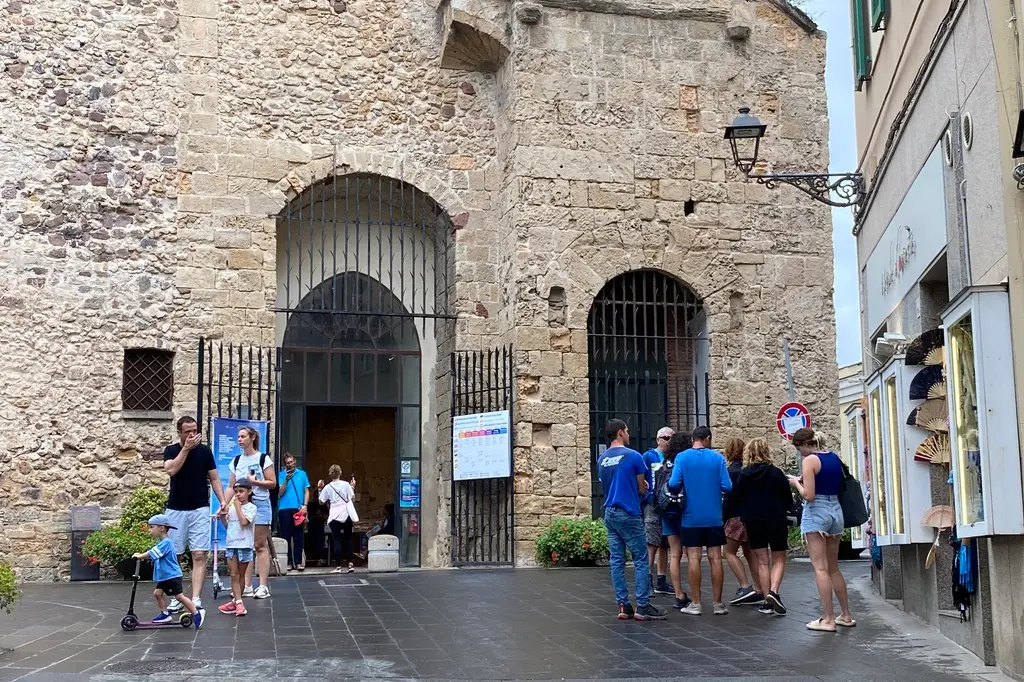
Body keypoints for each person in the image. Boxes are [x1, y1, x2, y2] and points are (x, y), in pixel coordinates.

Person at [597, 419, 667, 621]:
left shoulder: (602, 459)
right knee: (641, 558)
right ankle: (643, 605)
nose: (629, 434)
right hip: (628, 511)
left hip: (610, 511)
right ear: (620, 433)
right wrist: (643, 487)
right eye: (627, 431)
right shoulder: (633, 456)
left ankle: (623, 605)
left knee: (617, 560)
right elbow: (642, 488)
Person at [788, 428, 856, 632]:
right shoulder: (833, 457)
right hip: (836, 511)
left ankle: (828, 619)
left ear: (805, 444)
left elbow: (809, 495)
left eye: (799, 448)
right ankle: (846, 614)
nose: (800, 453)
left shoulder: (809, 460)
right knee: (834, 567)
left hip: (817, 511)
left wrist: (795, 483)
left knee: (820, 568)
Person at [162, 416, 227, 614]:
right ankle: (177, 597)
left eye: (195, 430)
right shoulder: (171, 450)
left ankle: (196, 597)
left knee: (199, 554)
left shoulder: (205, 451)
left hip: (199, 508)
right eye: (187, 432)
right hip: (176, 509)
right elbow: (171, 470)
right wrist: (186, 449)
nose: (192, 435)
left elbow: (214, 478)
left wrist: (222, 500)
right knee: (175, 555)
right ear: (180, 433)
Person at [669, 425, 731, 616]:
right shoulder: (717, 458)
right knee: (715, 558)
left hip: (690, 517)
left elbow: (673, 484)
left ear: (692, 439)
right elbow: (727, 486)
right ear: (708, 438)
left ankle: (696, 603)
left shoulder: (682, 457)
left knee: (693, 558)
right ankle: (718, 604)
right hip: (714, 517)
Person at [734, 437, 792, 616]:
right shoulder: (776, 473)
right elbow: (787, 498)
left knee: (762, 561)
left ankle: (767, 599)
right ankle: (774, 592)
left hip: (753, 520)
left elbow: (738, 497)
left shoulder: (744, 475)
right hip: (776, 519)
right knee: (779, 558)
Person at [226, 426, 276, 599]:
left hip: (260, 504)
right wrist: (224, 504)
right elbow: (231, 486)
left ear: (252, 437)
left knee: (259, 544)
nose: (239, 439)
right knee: (245, 545)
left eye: (243, 436)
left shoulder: (263, 458)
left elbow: (272, 483)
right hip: (243, 504)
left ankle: (262, 585)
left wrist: (256, 482)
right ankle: (246, 585)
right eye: (238, 437)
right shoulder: (237, 461)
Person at [133, 514, 204, 629]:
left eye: (151, 527)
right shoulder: (163, 543)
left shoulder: (166, 543)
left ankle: (196, 613)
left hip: (171, 576)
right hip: (165, 577)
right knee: (157, 593)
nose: (149, 530)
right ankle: (165, 614)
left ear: (161, 528)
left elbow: (152, 553)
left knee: (179, 597)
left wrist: (140, 556)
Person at [721, 437, 762, 605]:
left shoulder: (730, 471)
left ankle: (745, 585)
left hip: (734, 517)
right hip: (749, 516)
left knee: (728, 552)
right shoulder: (746, 471)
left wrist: (724, 517)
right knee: (750, 553)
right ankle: (760, 588)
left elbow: (729, 498)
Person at [659, 432, 693, 612]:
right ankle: (693, 594)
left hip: (667, 512)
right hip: (683, 510)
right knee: (690, 554)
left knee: (674, 554)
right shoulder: (684, 461)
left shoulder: (665, 463)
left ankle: (679, 593)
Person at [642, 427, 673, 595]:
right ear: (658, 439)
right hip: (653, 504)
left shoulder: (673, 458)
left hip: (667, 505)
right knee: (651, 542)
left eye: (671, 439)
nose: (669, 441)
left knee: (664, 543)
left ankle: (661, 580)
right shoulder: (648, 456)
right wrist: (647, 497)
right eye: (666, 438)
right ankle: (647, 580)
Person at [218, 480, 257, 617]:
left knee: (241, 574)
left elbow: (244, 522)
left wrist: (238, 507)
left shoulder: (251, 508)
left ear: (249, 492)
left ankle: (237, 601)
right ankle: (238, 602)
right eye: (236, 492)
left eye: (241, 491)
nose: (238, 495)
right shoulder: (232, 508)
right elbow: (229, 525)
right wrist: (223, 516)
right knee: (233, 574)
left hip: (245, 545)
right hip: (231, 544)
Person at [320, 465, 358, 573]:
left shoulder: (328, 487)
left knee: (336, 539)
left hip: (334, 515)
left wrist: (319, 489)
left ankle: (338, 566)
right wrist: (353, 487)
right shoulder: (346, 485)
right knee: (349, 538)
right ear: (340, 473)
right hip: (346, 514)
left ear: (330, 474)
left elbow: (321, 501)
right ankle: (350, 564)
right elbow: (353, 498)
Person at [277, 453, 310, 571]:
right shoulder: (280, 475)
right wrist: (286, 479)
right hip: (284, 508)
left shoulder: (302, 474)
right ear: (284, 465)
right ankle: (288, 562)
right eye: (287, 463)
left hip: (298, 508)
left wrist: (305, 505)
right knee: (286, 535)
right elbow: (280, 493)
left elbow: (306, 491)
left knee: (298, 536)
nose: (289, 465)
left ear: (295, 461)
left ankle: (298, 562)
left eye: (291, 462)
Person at [306, 479, 329, 566]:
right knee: (317, 543)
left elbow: (326, 515)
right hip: (315, 525)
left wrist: (321, 517)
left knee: (318, 543)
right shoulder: (313, 504)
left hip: (318, 526)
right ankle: (317, 559)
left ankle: (318, 559)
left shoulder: (320, 505)